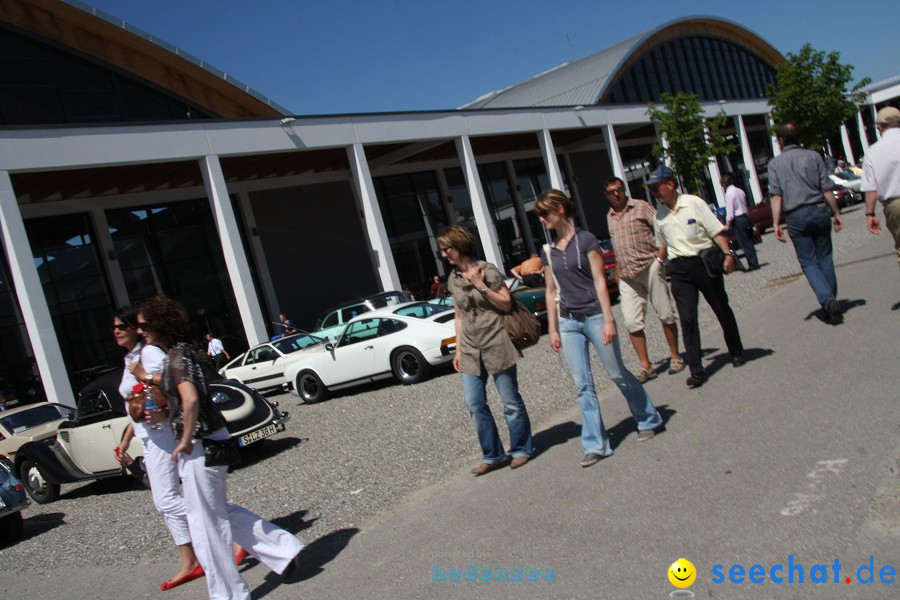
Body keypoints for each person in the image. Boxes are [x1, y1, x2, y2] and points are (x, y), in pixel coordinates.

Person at [132, 296, 303, 600]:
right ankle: (281, 549)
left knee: (206, 527)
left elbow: (191, 399)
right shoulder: (180, 354)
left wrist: (184, 439)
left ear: (159, 324)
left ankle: (229, 594)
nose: (140, 330)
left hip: (201, 446)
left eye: (144, 325)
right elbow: (182, 391)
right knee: (215, 514)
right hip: (208, 443)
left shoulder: (176, 357)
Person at [536, 189, 663, 468]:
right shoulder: (548, 251)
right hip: (569, 322)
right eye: (538, 214)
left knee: (617, 372)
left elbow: (599, 281)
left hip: (594, 316)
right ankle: (595, 444)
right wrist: (553, 329)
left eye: (544, 212)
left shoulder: (586, 240)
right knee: (583, 386)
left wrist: (608, 319)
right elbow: (549, 291)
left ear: (559, 209)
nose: (541, 218)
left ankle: (648, 417)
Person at [111, 306, 203, 591]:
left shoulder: (149, 353)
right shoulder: (131, 358)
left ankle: (229, 530)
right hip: (147, 437)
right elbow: (136, 404)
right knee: (163, 504)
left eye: (121, 327)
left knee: (166, 500)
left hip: (161, 434)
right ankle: (189, 560)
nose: (116, 331)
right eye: (114, 327)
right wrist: (126, 439)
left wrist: (160, 407)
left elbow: (170, 383)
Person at [437, 225, 533, 475]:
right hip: (470, 347)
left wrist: (480, 285)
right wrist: (458, 350)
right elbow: (459, 314)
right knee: (474, 403)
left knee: (510, 402)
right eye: (442, 250)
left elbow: (505, 302)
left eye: (446, 249)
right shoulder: (453, 278)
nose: (444, 254)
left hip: (496, 341)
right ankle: (493, 455)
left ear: (460, 246)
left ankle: (521, 449)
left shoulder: (486, 270)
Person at [648, 166, 745, 388]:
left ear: (670, 185)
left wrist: (728, 254)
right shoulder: (659, 216)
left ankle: (736, 350)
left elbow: (715, 231)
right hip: (679, 270)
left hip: (703, 264)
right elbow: (662, 247)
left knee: (721, 308)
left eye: (656, 187)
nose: (654, 192)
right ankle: (697, 370)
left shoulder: (694, 203)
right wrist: (658, 266)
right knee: (688, 318)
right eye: (651, 189)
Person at [604, 177, 684, 382]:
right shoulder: (610, 216)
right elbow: (617, 245)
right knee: (632, 322)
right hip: (627, 276)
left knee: (665, 313)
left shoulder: (641, 207)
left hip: (650, 267)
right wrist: (618, 272)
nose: (616, 194)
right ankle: (646, 366)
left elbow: (662, 229)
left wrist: (660, 258)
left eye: (619, 190)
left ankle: (675, 356)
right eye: (612, 192)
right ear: (607, 196)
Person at [767, 122, 844, 324]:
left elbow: (776, 196)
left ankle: (828, 301)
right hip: (819, 209)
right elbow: (826, 187)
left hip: (796, 215)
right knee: (825, 257)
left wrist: (776, 223)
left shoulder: (775, 164)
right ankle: (831, 302)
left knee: (809, 261)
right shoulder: (813, 156)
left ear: (781, 140)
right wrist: (836, 212)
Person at [861, 106, 900, 270]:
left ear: (879, 127)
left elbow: (871, 187)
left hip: (895, 206)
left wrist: (870, 213)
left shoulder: (873, 151)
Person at [720, 175, 760, 271]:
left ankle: (752, 264)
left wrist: (727, 223)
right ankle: (754, 261)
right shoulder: (740, 190)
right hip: (744, 217)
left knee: (743, 242)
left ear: (723, 184)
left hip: (737, 219)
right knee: (749, 240)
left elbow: (730, 210)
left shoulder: (729, 194)